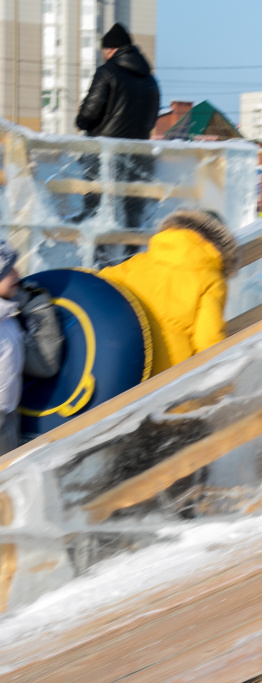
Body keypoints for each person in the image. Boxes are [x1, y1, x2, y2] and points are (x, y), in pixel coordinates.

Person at [98, 209, 239, 376]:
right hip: (167, 377)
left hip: (121, 363)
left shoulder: (139, 262)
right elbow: (208, 340)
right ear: (218, 244)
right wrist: (222, 382)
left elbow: (99, 283)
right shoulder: (211, 280)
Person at [74, 23, 160, 228]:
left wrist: (82, 122)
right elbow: (152, 119)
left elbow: (88, 113)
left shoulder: (107, 72)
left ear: (110, 49)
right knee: (132, 219)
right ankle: (132, 253)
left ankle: (98, 256)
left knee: (97, 212)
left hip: (106, 155)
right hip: (139, 156)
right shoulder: (150, 80)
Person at [0, 243, 64, 454]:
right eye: (9, 269)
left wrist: (37, 308)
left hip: (8, 422)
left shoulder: (9, 320)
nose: (18, 273)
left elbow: (44, 365)